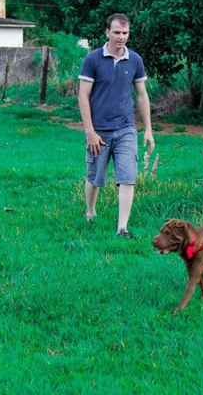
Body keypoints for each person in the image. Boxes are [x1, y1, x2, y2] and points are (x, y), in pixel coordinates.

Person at [78, 13, 155, 238]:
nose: (121, 37)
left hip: (126, 129)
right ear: (107, 33)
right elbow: (83, 96)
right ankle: (90, 212)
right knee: (95, 178)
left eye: (125, 33)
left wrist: (148, 129)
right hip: (99, 131)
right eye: (117, 32)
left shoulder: (135, 60)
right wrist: (90, 132)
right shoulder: (92, 60)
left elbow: (142, 95)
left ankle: (122, 228)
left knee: (128, 176)